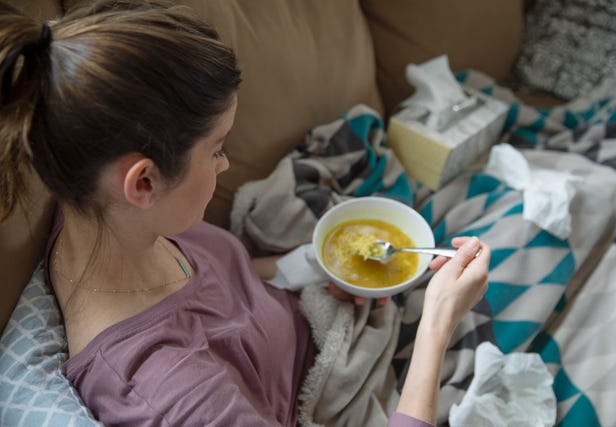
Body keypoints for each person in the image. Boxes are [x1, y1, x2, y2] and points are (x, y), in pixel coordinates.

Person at [0, 1, 490, 426]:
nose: (226, 163)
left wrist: (311, 269)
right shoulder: (173, 394)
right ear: (144, 182)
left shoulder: (104, 212)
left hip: (322, 324)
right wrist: (438, 320)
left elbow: (220, 297)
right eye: (216, 150)